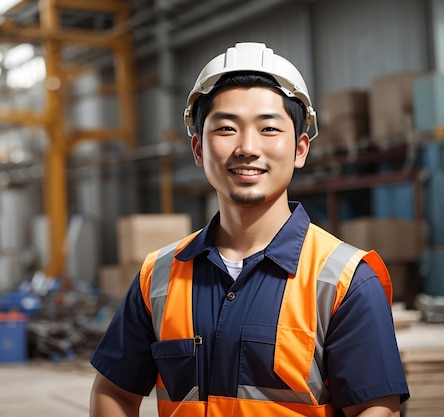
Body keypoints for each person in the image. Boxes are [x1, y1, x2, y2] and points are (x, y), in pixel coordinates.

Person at [89, 42, 410, 417]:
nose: (247, 147)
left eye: (269, 128)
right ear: (197, 149)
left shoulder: (345, 281)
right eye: (226, 128)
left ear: (300, 149)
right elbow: (113, 391)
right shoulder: (158, 276)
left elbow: (375, 409)